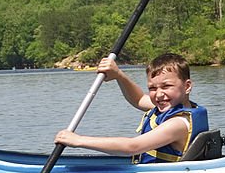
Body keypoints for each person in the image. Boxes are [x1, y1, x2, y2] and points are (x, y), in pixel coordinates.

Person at [54, 53, 208, 163]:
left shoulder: (178, 123)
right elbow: (139, 99)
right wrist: (118, 75)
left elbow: (133, 147)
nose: (159, 95)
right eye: (152, 88)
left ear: (187, 86)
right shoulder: (170, 105)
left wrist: (79, 140)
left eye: (166, 86)